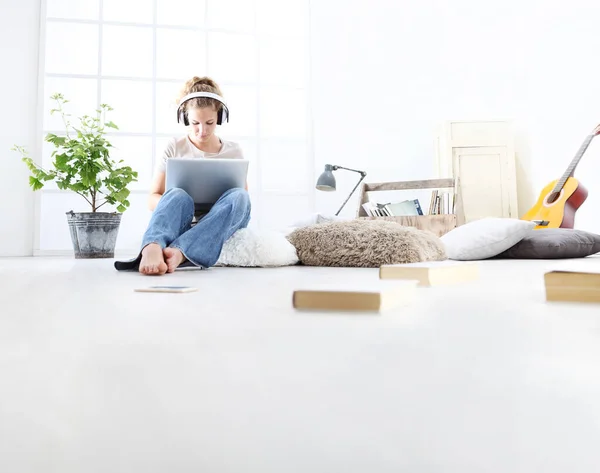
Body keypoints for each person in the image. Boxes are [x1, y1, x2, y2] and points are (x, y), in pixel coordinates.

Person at [114, 76, 251, 275]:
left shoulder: (234, 151)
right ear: (185, 117)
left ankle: (180, 251)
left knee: (241, 196)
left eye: (210, 122)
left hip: (217, 220)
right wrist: (173, 201)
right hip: (182, 216)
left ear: (220, 117)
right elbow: (153, 198)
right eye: (195, 122)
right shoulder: (174, 147)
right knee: (177, 194)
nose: (202, 130)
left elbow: (240, 204)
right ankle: (152, 246)